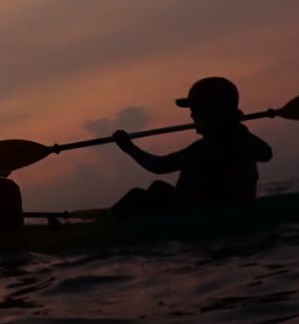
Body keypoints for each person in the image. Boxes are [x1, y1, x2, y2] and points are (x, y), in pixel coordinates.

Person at [107, 77, 273, 219]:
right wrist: (235, 125)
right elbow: (266, 153)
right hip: (221, 208)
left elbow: (159, 166)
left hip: (204, 213)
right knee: (158, 188)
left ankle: (101, 228)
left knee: (137, 196)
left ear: (213, 113)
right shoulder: (244, 139)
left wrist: (128, 147)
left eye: (196, 110)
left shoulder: (207, 148)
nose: (192, 115)